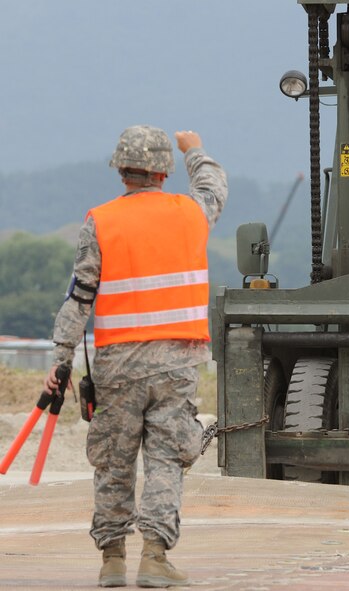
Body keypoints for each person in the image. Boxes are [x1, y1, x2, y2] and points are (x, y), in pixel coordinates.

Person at [44, 125, 227, 587]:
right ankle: (155, 556)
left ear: (121, 170)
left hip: (118, 366)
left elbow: (79, 296)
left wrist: (61, 358)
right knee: (166, 458)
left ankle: (111, 562)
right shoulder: (192, 212)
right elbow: (214, 185)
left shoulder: (101, 221)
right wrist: (196, 150)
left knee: (114, 459)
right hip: (178, 361)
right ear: (163, 171)